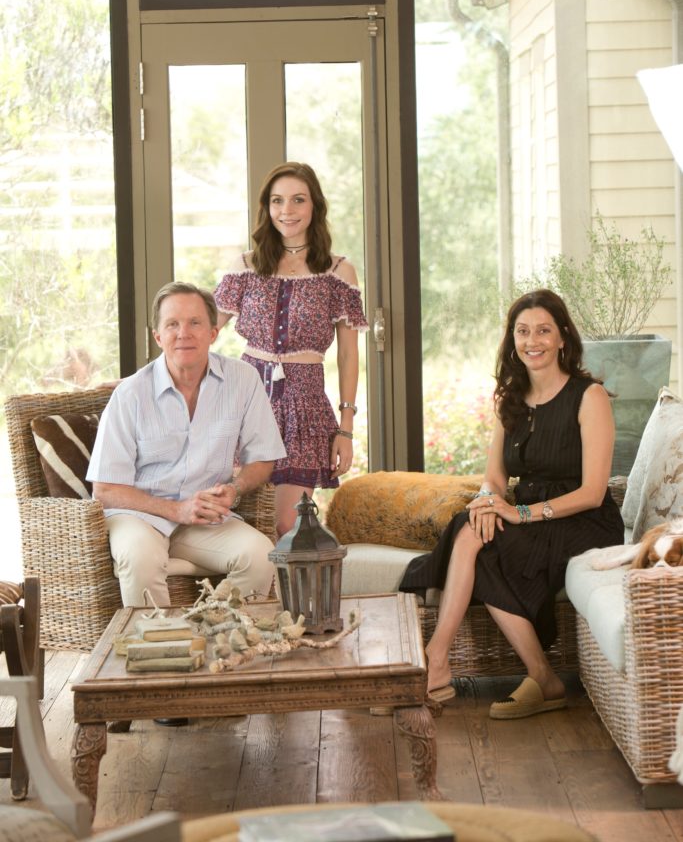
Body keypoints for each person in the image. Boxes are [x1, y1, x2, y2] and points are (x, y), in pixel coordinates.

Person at [400, 288, 624, 715]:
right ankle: (534, 675)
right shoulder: (510, 398)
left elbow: (594, 492)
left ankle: (437, 662)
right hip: (530, 515)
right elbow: (494, 478)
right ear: (512, 339)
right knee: (470, 526)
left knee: (474, 544)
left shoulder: (588, 397)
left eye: (543, 330)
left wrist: (519, 513)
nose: (532, 341)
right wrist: (487, 503)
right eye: (523, 332)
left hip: (582, 519)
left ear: (562, 338)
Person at [87, 281, 287, 608]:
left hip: (204, 518)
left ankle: (214, 634)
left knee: (260, 557)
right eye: (172, 324)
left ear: (213, 332)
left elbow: (263, 459)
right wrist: (175, 510)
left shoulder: (243, 380)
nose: (184, 333)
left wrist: (234, 489)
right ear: (158, 337)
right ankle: (159, 650)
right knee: (141, 559)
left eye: (195, 322)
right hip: (139, 515)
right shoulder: (130, 395)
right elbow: (106, 489)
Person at [214, 162, 368, 537]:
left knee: (287, 526)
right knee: (243, 522)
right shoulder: (245, 267)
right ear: (267, 208)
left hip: (305, 406)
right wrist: (144, 378)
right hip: (246, 401)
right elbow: (203, 331)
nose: (287, 211)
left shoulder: (338, 273)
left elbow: (348, 356)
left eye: (298, 200)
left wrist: (346, 429)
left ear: (314, 206)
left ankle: (292, 598)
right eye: (278, 201)